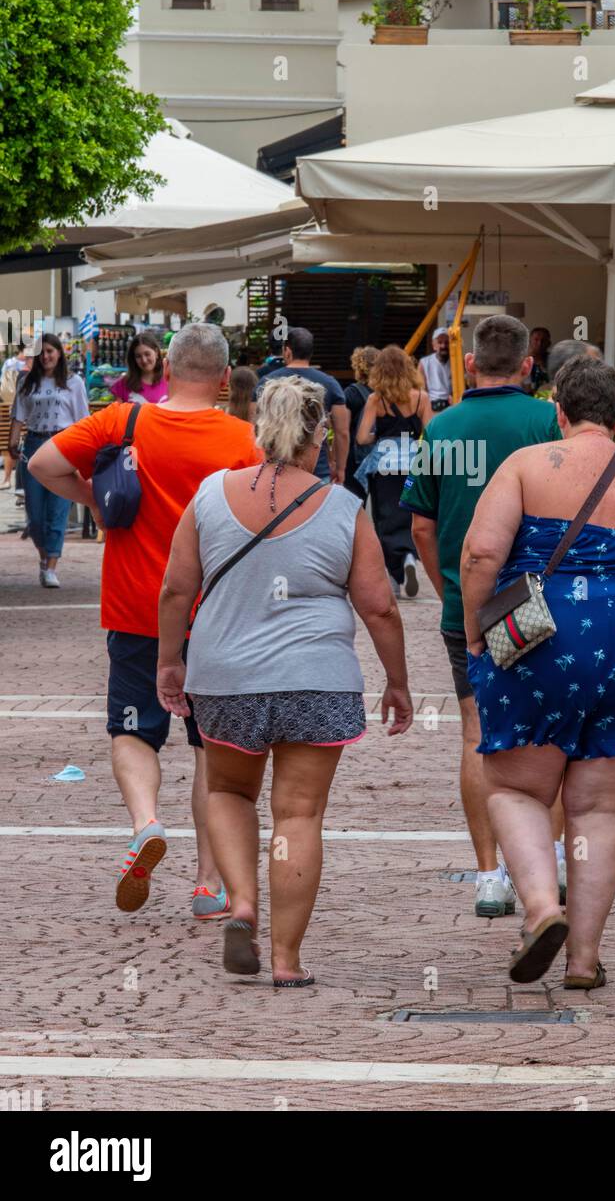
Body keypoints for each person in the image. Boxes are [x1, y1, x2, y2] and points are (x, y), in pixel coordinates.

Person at [461, 355, 615, 987]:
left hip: (543, 636)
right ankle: (583, 959)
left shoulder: (525, 466)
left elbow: (482, 552)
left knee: (518, 788)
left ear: (559, 412)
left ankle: (544, 907)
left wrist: (475, 633)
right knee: (599, 809)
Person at [156, 376, 413, 986]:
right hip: (316, 679)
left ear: (258, 428)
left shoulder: (211, 496)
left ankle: (241, 901)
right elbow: (379, 606)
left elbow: (175, 589)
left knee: (228, 793)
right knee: (298, 815)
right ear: (318, 433)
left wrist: (171, 662)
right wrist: (397, 682)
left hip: (225, 676)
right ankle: (286, 961)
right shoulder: (346, 508)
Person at [27, 323, 262, 918]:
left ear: (170, 367)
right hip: (216, 615)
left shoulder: (124, 421)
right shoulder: (242, 439)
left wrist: (96, 499)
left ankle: (145, 823)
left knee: (132, 730)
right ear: (224, 377)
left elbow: (42, 462)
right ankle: (210, 884)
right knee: (212, 746)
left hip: (137, 610)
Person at [402, 315, 562, 917]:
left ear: (471, 365)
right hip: (542, 601)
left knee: (476, 736)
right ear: (527, 365)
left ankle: (490, 874)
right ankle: (551, 865)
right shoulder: (548, 422)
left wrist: (449, 577)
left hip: (465, 606)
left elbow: (420, 522)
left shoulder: (441, 427)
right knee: (552, 731)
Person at [8, 334, 89, 587]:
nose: (46, 356)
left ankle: (51, 566)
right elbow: (18, 415)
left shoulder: (74, 382)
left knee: (58, 509)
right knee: (35, 513)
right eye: (41, 352)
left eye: (51, 351)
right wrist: (12, 442)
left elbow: (83, 419)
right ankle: (44, 558)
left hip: (62, 445)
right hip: (33, 445)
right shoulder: (26, 381)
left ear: (59, 353)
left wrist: (83, 452)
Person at [356, 346, 432, 598]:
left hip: (384, 465)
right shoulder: (421, 397)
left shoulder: (376, 399)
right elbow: (431, 433)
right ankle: (409, 556)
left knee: (385, 518)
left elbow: (362, 437)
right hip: (413, 463)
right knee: (410, 513)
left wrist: (379, 434)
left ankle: (395, 575)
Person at [257, 326, 349, 484]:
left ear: (287, 351)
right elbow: (342, 432)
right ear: (311, 352)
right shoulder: (330, 384)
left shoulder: (267, 383)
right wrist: (340, 468)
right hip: (317, 470)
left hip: (274, 469)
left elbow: (255, 425)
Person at [343, 345, 378, 504]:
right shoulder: (387, 393)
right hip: (380, 455)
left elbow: (343, 428)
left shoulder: (351, 393)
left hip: (355, 458)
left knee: (355, 503)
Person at [1, 343, 33, 492]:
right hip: (14, 407)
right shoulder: (17, 365)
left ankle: (12, 482)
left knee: (19, 445)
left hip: (17, 407)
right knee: (16, 445)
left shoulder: (21, 365)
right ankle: (11, 481)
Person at [108, 332, 168, 405]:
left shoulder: (170, 381)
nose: (144, 360)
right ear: (133, 359)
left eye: (147, 354)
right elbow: (117, 414)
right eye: (138, 356)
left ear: (156, 353)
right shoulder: (122, 385)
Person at [419, 328, 452, 412]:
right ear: (434, 345)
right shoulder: (424, 363)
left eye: (446, 343)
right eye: (440, 342)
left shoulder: (457, 362)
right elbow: (422, 389)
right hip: (431, 404)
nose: (443, 346)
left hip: (452, 404)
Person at [527, 327, 552, 393]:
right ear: (529, 342)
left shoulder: (555, 361)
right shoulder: (522, 362)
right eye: (536, 340)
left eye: (543, 340)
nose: (539, 343)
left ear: (549, 343)